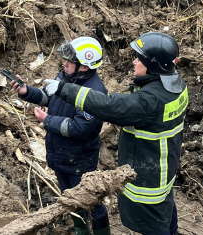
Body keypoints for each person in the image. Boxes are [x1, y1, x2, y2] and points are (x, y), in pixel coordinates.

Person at [44, 32, 187, 235]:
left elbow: (111, 107)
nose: (134, 61)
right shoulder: (176, 85)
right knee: (165, 211)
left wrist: (65, 90)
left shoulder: (150, 100)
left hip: (148, 176)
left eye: (140, 58)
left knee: (154, 225)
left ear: (154, 65)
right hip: (164, 166)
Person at [10, 36, 110, 235]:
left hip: (79, 160)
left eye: (70, 60)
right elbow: (49, 97)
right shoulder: (65, 76)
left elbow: (80, 128)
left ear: (84, 66)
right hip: (61, 155)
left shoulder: (95, 92)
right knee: (70, 198)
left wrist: (47, 121)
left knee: (91, 200)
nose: (65, 63)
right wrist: (26, 91)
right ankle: (81, 231)